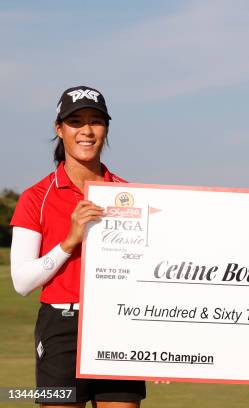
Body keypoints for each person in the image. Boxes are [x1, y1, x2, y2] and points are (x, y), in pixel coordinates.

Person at [10, 86, 146, 407]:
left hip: (119, 322)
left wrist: (155, 344)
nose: (86, 130)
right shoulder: (36, 197)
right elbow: (22, 282)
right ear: (60, 130)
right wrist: (69, 241)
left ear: (106, 129)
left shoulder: (131, 194)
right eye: (75, 121)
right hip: (61, 327)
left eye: (95, 121)